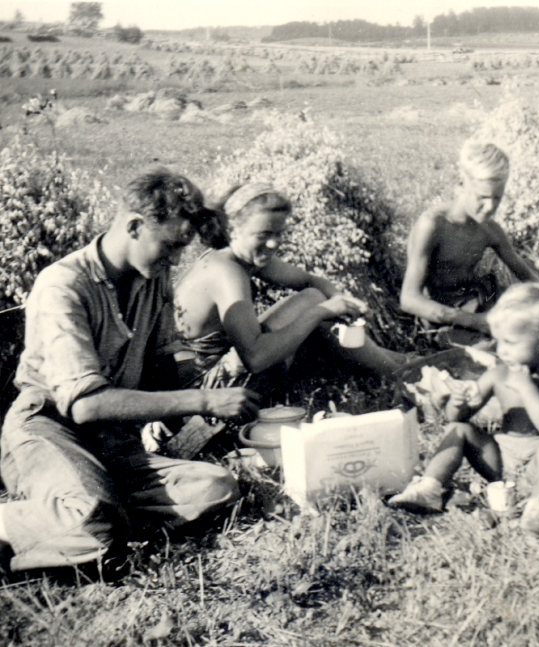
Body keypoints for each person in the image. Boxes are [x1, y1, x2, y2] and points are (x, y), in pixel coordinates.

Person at [0, 168, 260, 573]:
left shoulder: (153, 277)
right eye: (170, 246)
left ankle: (92, 517)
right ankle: (77, 521)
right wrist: (204, 398)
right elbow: (84, 406)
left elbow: (160, 369)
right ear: (135, 226)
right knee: (93, 525)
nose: (175, 259)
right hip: (48, 428)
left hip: (114, 441)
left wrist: (214, 386)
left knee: (215, 487)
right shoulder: (63, 285)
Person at [171, 183, 406, 399]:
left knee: (314, 301)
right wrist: (321, 311)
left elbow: (310, 280)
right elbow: (255, 359)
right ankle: (402, 372)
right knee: (312, 305)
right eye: (263, 235)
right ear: (232, 229)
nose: (273, 244)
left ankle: (401, 365)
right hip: (200, 390)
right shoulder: (226, 272)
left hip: (225, 366)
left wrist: (340, 300)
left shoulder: (240, 256)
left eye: (278, 234)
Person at [388, 283, 539, 537]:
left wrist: (526, 387)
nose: (501, 351)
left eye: (509, 343)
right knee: (459, 430)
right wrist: (458, 400)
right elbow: (455, 419)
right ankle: (430, 487)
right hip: (501, 459)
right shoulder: (499, 373)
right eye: (498, 342)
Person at [400, 141, 539, 347]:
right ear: (461, 183)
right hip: (442, 316)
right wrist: (477, 322)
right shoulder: (433, 225)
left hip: (478, 302)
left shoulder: (489, 229)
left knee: (530, 342)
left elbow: (529, 277)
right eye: (482, 197)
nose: (490, 206)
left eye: (497, 198)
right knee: (494, 354)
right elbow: (409, 299)